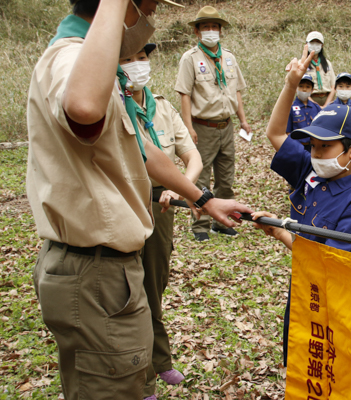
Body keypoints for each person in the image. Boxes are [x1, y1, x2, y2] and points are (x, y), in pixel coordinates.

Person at [26, 1, 251, 398]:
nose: (148, 20)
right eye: (145, 7)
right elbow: (82, 108)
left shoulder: (102, 71)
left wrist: (204, 198)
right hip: (94, 269)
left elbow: (142, 149)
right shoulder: (73, 59)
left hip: (104, 269)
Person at [255, 45, 351, 366]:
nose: (315, 153)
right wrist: (290, 86)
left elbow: (329, 268)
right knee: (297, 361)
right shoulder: (311, 170)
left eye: (324, 147)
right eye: (311, 145)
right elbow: (275, 133)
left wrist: (281, 230)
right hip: (301, 294)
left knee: (325, 367)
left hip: (332, 307)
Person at [119, 44, 203, 399]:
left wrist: (179, 186)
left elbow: (191, 155)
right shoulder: (114, 109)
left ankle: (159, 360)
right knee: (126, 292)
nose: (138, 65)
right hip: (124, 207)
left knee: (154, 287)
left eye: (143, 58)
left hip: (162, 209)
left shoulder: (164, 107)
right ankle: (141, 377)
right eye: (129, 59)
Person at [176, 6, 251, 242]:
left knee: (226, 176)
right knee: (201, 176)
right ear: (197, 32)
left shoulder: (229, 57)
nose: (211, 31)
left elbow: (236, 91)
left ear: (220, 31)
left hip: (225, 125)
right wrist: (188, 127)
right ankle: (200, 224)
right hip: (202, 126)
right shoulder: (190, 59)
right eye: (206, 27)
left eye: (214, 27)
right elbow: (185, 94)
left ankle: (222, 221)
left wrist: (243, 120)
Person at [286, 74, 321, 151]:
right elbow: (287, 132)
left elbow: (321, 128)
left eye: (308, 87)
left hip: (314, 148)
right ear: (296, 88)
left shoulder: (316, 107)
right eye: (301, 86)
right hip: (297, 148)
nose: (304, 89)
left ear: (312, 90)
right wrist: (294, 147)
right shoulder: (290, 108)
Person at [303, 31, 336, 106]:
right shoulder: (302, 64)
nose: (315, 44)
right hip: (309, 100)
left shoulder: (327, 63)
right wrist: (314, 104)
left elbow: (333, 86)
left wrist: (326, 105)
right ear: (306, 44)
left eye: (317, 42)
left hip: (327, 99)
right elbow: (298, 87)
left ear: (322, 45)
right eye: (312, 42)